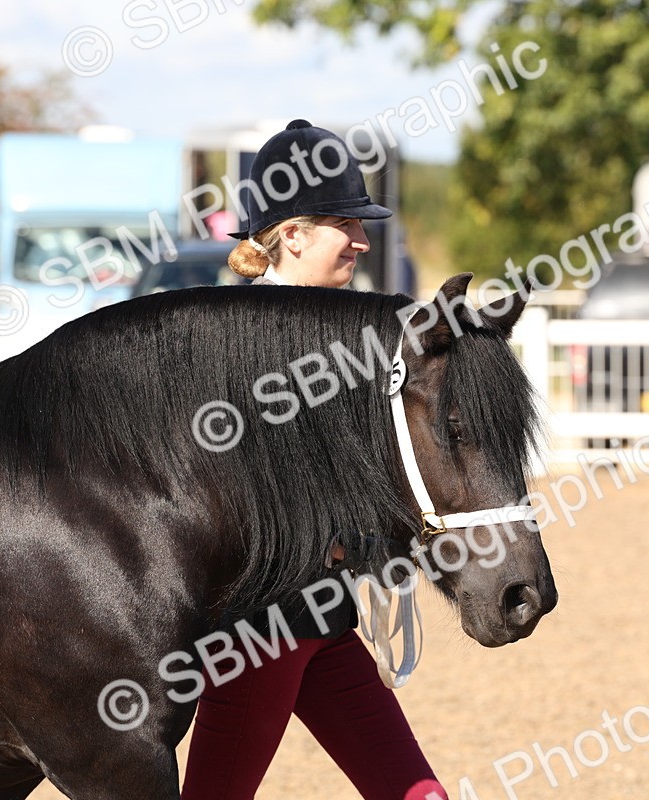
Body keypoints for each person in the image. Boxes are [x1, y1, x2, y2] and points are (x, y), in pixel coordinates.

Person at [180, 120, 447, 800]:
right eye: (344, 224)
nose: (362, 239)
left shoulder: (350, 337)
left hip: (324, 622)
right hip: (259, 631)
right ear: (293, 235)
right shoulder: (233, 341)